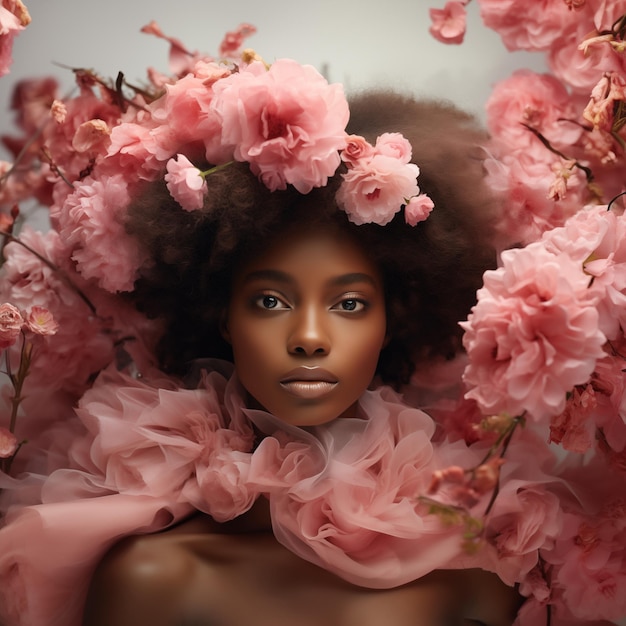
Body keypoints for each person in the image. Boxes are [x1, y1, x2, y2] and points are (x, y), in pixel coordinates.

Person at [0, 38, 622, 626]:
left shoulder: (480, 571)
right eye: (270, 300)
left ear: (393, 318)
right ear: (223, 313)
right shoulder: (153, 577)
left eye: (349, 304)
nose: (308, 337)